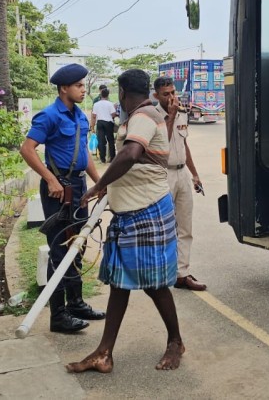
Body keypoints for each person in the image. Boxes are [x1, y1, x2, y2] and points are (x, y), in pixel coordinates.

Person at [67, 69, 184, 373]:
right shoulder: (141, 116)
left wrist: (98, 185)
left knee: (155, 284)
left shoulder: (144, 116)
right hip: (128, 214)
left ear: (121, 91)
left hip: (147, 211)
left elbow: (131, 153)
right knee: (120, 283)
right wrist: (110, 185)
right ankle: (104, 353)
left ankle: (175, 342)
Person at [18, 63, 106, 333]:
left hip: (78, 188)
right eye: (79, 86)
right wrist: (50, 179)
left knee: (77, 245)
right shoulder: (49, 116)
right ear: (64, 88)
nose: (83, 90)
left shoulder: (79, 116)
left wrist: (98, 182)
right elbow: (27, 149)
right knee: (59, 249)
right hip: (59, 191)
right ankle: (58, 315)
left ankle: (76, 303)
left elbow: (84, 154)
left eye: (84, 85)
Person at [153, 76, 205, 291]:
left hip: (181, 172)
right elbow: (160, 143)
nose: (172, 97)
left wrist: (194, 174)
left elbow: (184, 144)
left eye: (173, 92)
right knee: (163, 227)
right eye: (166, 94)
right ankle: (161, 273)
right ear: (156, 95)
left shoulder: (182, 112)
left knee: (185, 226)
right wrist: (171, 116)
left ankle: (182, 274)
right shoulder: (152, 115)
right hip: (162, 174)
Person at [90, 86, 117, 164]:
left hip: (100, 123)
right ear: (108, 95)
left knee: (101, 141)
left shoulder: (96, 104)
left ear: (101, 94)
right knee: (111, 140)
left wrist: (92, 126)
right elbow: (113, 114)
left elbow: (94, 116)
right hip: (108, 123)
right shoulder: (110, 104)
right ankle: (112, 158)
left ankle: (102, 159)